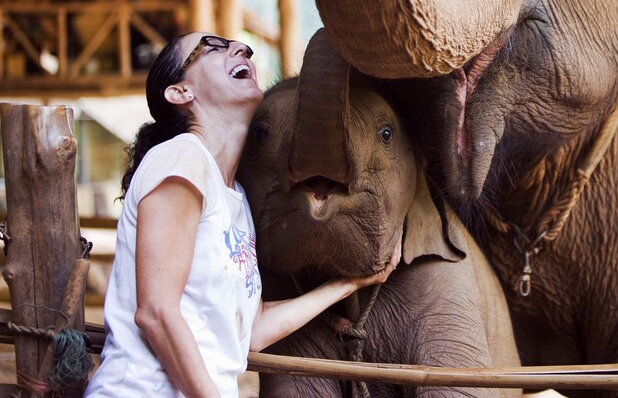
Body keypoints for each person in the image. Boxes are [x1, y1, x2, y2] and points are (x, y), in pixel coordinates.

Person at [85, 32, 401, 398]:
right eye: (212, 46)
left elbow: (251, 331)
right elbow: (155, 311)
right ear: (181, 93)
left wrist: (349, 284)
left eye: (240, 47)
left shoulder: (234, 199)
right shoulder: (182, 159)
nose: (240, 48)